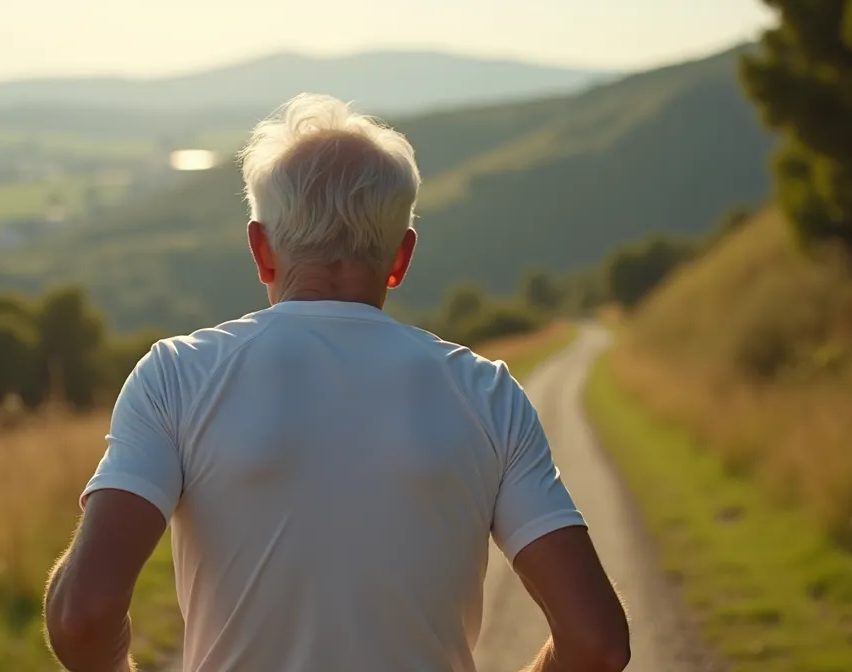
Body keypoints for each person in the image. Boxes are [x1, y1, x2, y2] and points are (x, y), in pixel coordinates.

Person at [43, 93, 630, 672]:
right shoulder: (488, 394)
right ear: (401, 257)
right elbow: (596, 643)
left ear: (261, 249)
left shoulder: (174, 376)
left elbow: (83, 616)